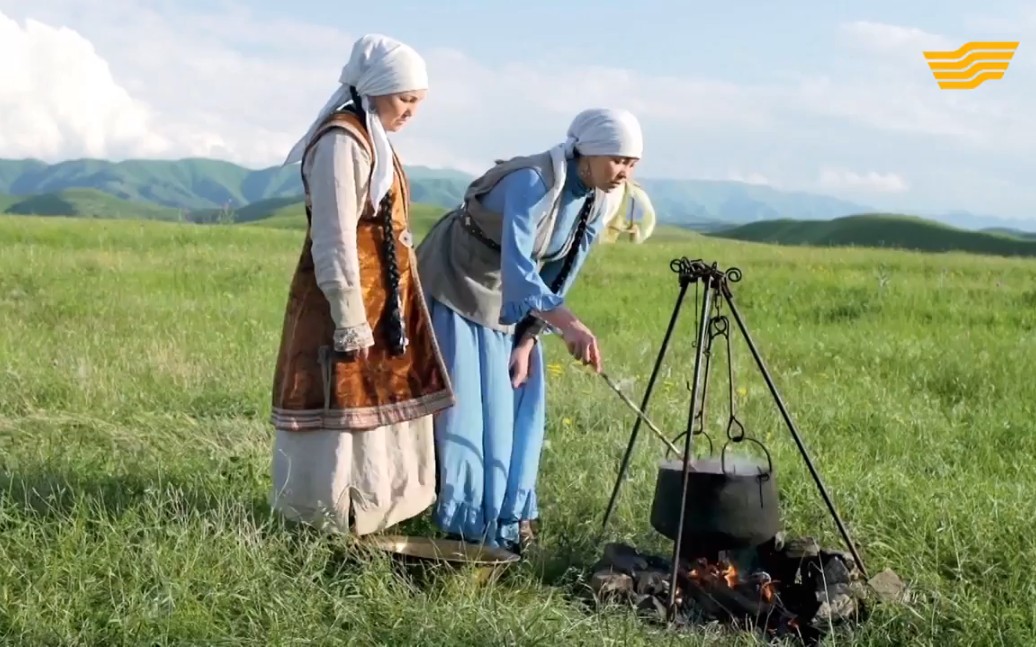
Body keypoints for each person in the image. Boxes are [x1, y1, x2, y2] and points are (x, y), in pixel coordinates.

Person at [415, 108, 644, 553]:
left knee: (521, 396)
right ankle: (465, 528)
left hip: (511, 299)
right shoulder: (533, 181)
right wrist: (571, 324)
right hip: (459, 280)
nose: (624, 172)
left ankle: (509, 517)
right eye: (617, 160)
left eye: (632, 163)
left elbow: (561, 272)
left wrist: (529, 337)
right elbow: (520, 268)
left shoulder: (598, 199)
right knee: (470, 407)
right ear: (589, 151)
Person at [269, 34, 455, 538]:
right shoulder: (341, 142)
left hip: (381, 305)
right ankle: (328, 524)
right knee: (343, 412)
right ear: (374, 90)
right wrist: (348, 316)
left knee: (375, 409)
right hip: (342, 304)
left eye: (419, 102)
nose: (412, 111)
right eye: (405, 100)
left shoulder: (375, 140)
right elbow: (334, 237)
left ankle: (371, 521)